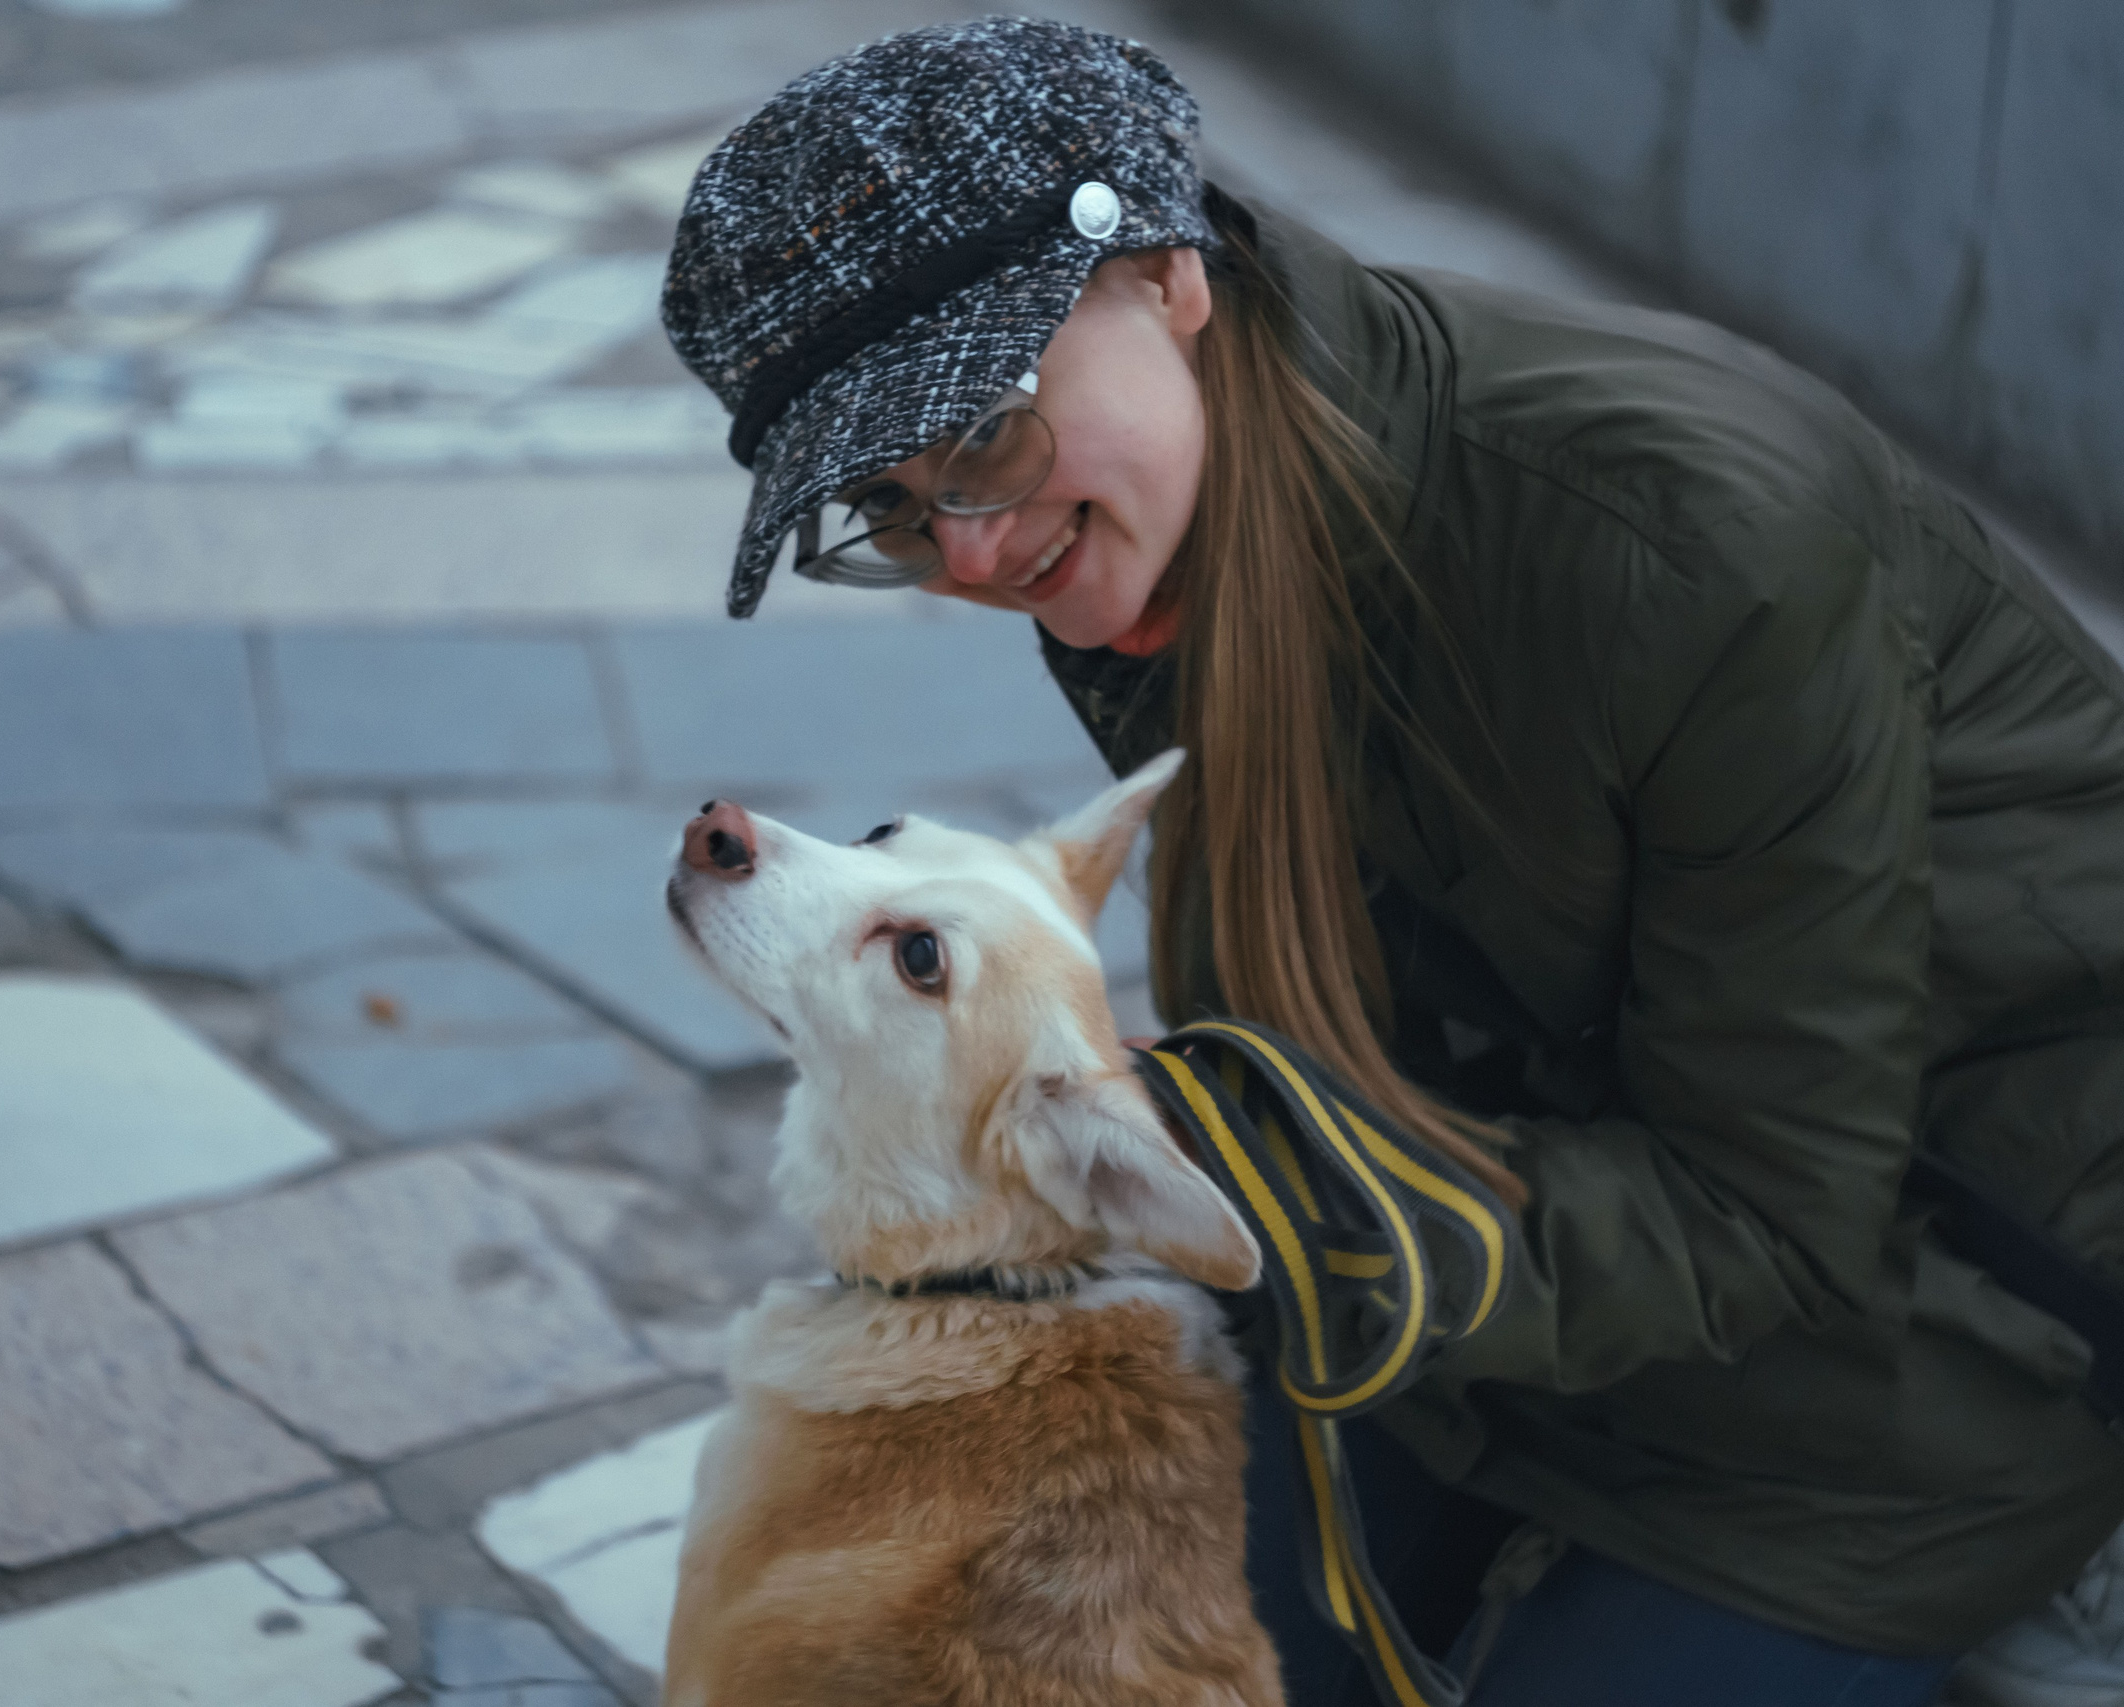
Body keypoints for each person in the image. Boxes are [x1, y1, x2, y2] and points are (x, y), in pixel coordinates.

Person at [659, 17, 2124, 1707]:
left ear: (1165, 275)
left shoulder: (1697, 541)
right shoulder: (1161, 522)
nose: (974, 550)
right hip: (1522, 1293)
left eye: (985, 434)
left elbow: (1771, 1213)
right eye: (893, 511)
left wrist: (1307, 1205)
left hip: (1937, 1337)